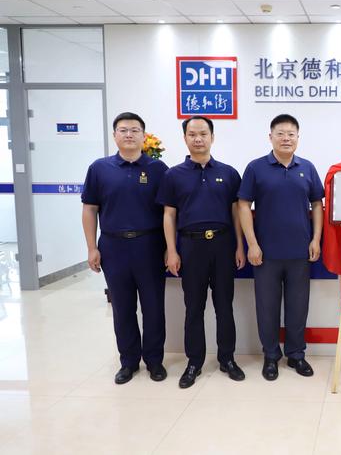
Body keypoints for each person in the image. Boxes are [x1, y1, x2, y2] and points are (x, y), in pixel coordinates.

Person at [157, 115, 246, 389]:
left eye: (203, 134)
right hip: (191, 247)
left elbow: (236, 212)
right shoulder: (173, 175)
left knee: (224, 306)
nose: (198, 139)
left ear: (212, 137)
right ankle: (194, 362)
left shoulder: (229, 173)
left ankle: (227, 358)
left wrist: (240, 245)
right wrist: (172, 250)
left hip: (223, 245)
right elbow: (169, 215)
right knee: (193, 307)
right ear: (185, 138)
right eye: (192, 134)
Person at [82, 112, 168, 384]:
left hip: (150, 245)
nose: (129, 134)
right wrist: (91, 248)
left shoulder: (158, 169)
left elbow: (169, 212)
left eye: (134, 130)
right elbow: (90, 209)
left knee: (154, 307)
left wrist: (170, 247)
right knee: (122, 307)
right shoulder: (99, 168)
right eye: (123, 130)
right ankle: (129, 361)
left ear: (144, 135)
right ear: (114, 135)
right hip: (113, 246)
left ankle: (154, 360)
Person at [238, 114, 323, 381]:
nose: (286, 138)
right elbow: (243, 205)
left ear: (298, 137)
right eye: (280, 134)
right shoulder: (256, 168)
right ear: (271, 137)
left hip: (300, 252)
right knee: (267, 308)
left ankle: (296, 355)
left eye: (291, 134)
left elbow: (317, 204)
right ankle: (271, 356)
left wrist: (316, 239)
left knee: (298, 307)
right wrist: (252, 244)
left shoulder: (307, 168)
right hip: (266, 254)